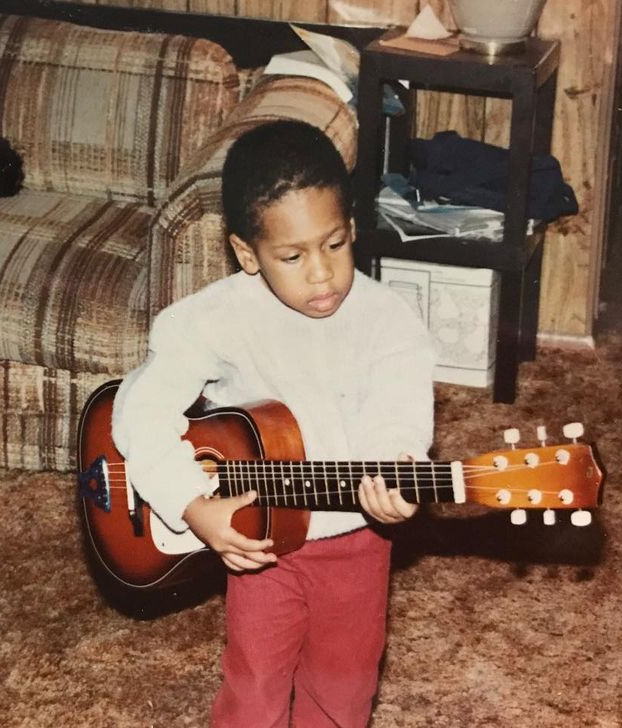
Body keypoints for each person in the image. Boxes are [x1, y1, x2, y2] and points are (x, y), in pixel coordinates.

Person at [111, 120, 435, 728]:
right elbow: (140, 408)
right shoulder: (213, 319)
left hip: (357, 543)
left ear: (353, 228)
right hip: (261, 543)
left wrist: (399, 471)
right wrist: (189, 503)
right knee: (254, 689)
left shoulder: (389, 320)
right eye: (292, 256)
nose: (321, 273)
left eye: (335, 244)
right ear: (245, 253)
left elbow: (400, 412)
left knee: (343, 694)